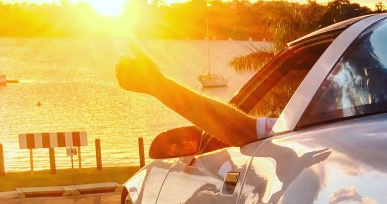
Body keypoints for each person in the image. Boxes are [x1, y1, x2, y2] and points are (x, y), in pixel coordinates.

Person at [115, 44, 274, 147]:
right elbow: (245, 131)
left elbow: (243, 132)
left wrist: (158, 86)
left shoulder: (296, 138)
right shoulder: (296, 135)